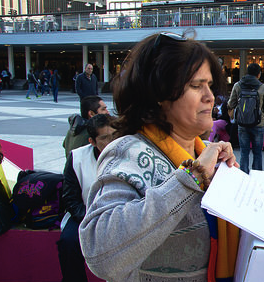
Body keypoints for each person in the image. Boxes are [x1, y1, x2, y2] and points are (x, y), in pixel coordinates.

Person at [79, 32, 239, 282]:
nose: (210, 97)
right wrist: (192, 178)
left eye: (210, 85)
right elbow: (100, 252)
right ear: (160, 95)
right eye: (196, 86)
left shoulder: (206, 152)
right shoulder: (128, 152)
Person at [57, 114, 115, 282]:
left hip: (120, 212)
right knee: (69, 242)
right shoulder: (77, 158)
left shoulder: (128, 153)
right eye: (104, 138)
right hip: (85, 214)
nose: (111, 142)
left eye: (114, 135)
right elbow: (70, 198)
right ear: (92, 141)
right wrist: (90, 218)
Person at [227, 62, 264, 174]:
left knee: (244, 153)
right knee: (257, 153)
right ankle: (257, 178)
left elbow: (230, 104)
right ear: (259, 74)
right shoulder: (263, 87)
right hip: (258, 125)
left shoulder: (237, 85)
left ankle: (244, 177)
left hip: (242, 124)